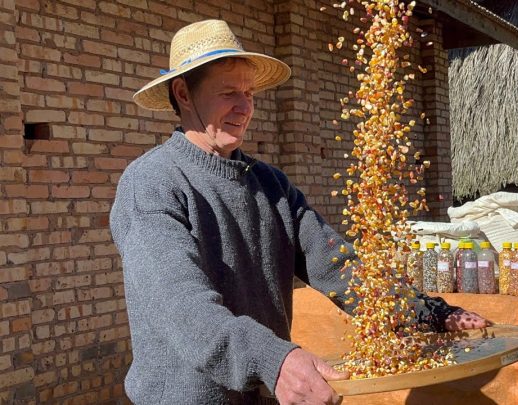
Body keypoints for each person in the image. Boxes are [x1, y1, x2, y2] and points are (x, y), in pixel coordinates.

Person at [110, 19, 492, 405]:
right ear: (184, 93)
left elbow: (338, 266)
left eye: (250, 93)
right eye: (229, 93)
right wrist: (274, 360)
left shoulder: (270, 185)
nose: (244, 107)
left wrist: (428, 312)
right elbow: (180, 305)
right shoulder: (152, 183)